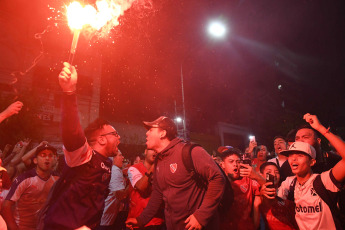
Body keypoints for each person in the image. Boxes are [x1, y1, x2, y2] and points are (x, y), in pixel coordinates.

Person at [40, 62, 121, 229]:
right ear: (102, 139)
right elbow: (72, 133)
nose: (119, 138)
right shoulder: (84, 155)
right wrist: (69, 92)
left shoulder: (107, 163)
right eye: (114, 134)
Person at [126, 116, 225, 230]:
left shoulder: (189, 151)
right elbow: (158, 194)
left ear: (162, 133)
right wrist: (141, 220)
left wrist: (201, 216)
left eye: (151, 130)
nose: (147, 133)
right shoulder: (159, 160)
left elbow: (217, 178)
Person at [262, 113, 345, 230]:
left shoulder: (323, 180)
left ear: (312, 162)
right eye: (291, 155)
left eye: (300, 155)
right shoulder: (289, 183)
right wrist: (266, 194)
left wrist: (320, 128)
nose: (294, 159)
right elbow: (277, 205)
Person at [2, 144, 59, 230]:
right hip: (22, 227)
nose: (47, 158)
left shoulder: (58, 178)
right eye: (43, 155)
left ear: (54, 159)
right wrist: (13, 228)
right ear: (35, 160)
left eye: (50, 155)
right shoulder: (24, 179)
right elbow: (6, 206)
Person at [218, 147, 262, 230]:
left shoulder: (248, 180)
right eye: (231, 161)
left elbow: (268, 188)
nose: (235, 164)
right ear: (222, 164)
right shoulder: (217, 183)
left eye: (238, 162)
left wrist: (257, 176)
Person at [126, 149, 164, 229]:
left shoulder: (162, 169)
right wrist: (151, 169)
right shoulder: (134, 168)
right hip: (137, 221)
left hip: (157, 220)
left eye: (157, 150)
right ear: (146, 151)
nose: (155, 152)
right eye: (152, 150)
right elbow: (141, 187)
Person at [258, 162, 297, 230]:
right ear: (260, 175)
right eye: (269, 172)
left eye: (277, 172)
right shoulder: (256, 197)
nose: (274, 175)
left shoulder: (287, 203)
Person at [99, 150, 129, 230]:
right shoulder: (115, 169)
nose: (123, 158)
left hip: (104, 218)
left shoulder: (112, 169)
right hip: (105, 221)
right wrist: (133, 184)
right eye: (120, 155)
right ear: (113, 159)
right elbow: (120, 195)